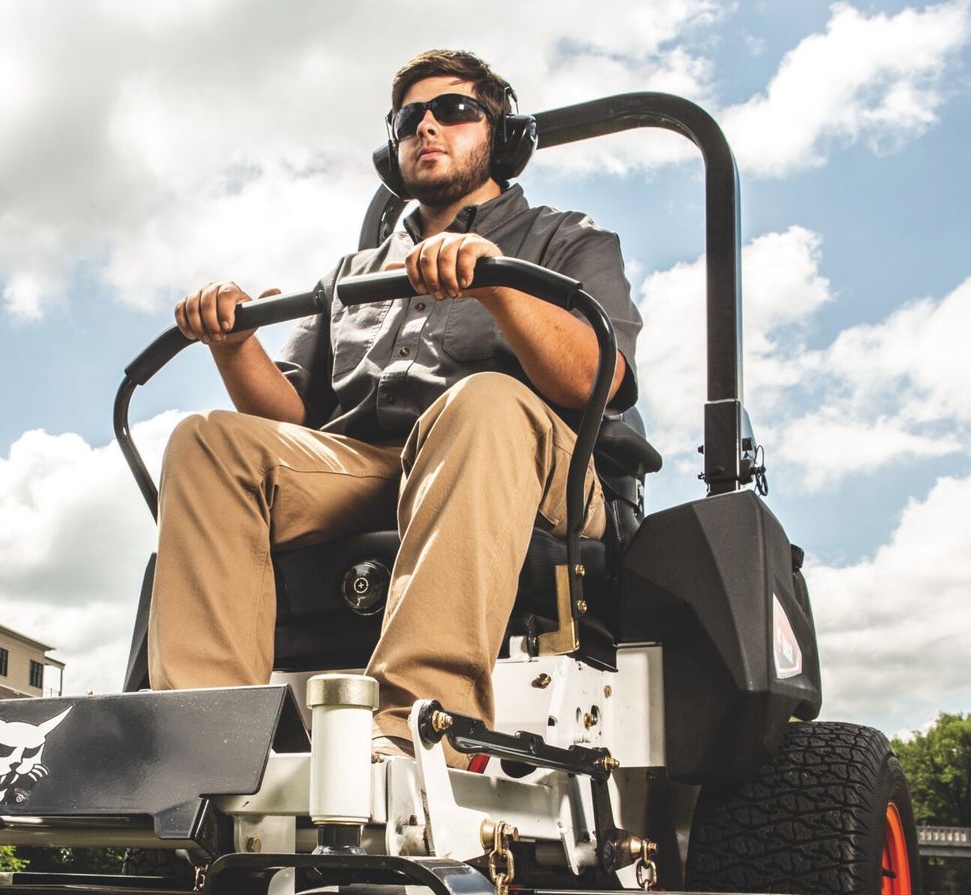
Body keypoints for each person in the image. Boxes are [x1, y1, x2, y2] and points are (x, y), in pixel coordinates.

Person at [149, 48, 643, 756]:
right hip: (373, 470)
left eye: (455, 111)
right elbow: (288, 420)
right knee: (206, 438)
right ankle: (200, 742)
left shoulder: (568, 239)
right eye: (410, 119)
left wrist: (497, 285)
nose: (428, 127)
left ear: (501, 135)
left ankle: (413, 724)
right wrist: (233, 347)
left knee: (483, 403)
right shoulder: (350, 275)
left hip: (535, 465)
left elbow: (600, 378)